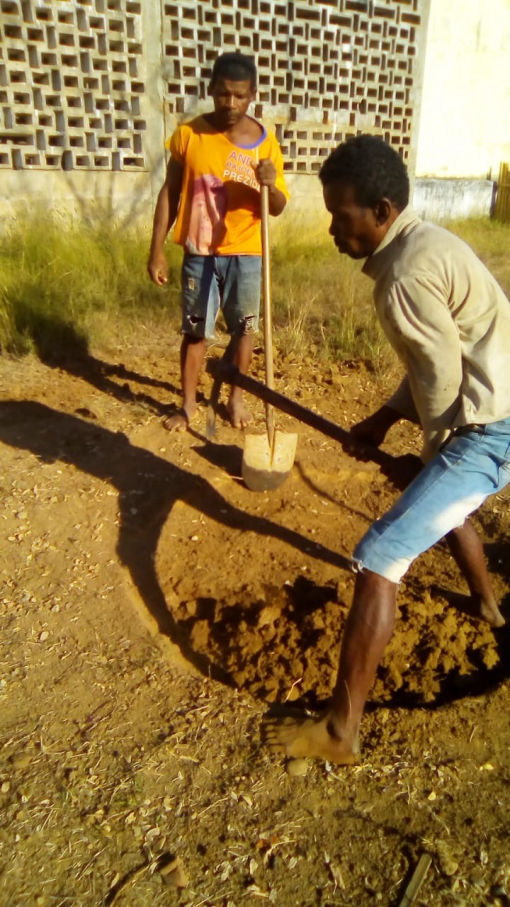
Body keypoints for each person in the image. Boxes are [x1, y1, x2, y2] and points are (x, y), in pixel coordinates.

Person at [266, 134, 510, 765]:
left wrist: (430, 456)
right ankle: (487, 606)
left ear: (379, 211)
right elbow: (440, 355)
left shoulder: (402, 277)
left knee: (378, 556)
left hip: (491, 430)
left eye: (339, 216)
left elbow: (442, 382)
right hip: (497, 406)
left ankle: (341, 733)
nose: (329, 230)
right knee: (442, 506)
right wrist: (383, 419)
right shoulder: (425, 244)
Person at [148, 52, 289, 431]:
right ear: (211, 90)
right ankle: (189, 405)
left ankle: (236, 399)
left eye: (240, 96)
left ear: (252, 95)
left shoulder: (264, 143)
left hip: (246, 253)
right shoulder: (189, 135)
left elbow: (277, 207)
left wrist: (270, 183)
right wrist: (157, 249)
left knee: (244, 329)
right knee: (195, 332)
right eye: (224, 94)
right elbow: (170, 193)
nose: (231, 103)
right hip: (199, 252)